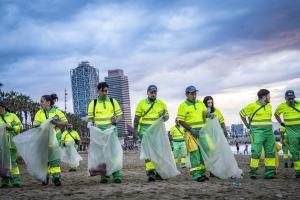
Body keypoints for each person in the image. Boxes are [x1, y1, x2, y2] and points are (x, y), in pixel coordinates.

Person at [87, 82, 123, 183]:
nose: (105, 93)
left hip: (111, 131)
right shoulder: (93, 103)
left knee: (113, 153)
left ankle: (117, 175)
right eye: (103, 91)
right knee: (102, 154)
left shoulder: (112, 101)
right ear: (98, 91)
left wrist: (116, 121)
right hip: (99, 133)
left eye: (106, 90)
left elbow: (120, 115)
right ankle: (104, 176)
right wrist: (92, 126)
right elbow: (90, 119)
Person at [133, 85, 169, 182]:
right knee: (148, 153)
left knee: (158, 152)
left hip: (157, 131)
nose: (153, 94)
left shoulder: (161, 103)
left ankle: (159, 172)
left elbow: (167, 117)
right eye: (151, 92)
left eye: (155, 92)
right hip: (145, 131)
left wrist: (164, 116)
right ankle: (151, 173)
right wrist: (135, 130)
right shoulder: (141, 103)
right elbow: (136, 118)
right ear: (147, 93)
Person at [177, 86, 212, 182]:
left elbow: (205, 113)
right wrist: (191, 129)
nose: (194, 95)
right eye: (192, 94)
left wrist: (209, 114)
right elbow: (181, 121)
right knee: (195, 153)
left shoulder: (200, 103)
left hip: (201, 132)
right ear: (187, 94)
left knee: (203, 153)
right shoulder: (183, 105)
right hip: (190, 133)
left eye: (195, 93)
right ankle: (196, 175)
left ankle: (202, 173)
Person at [240, 89, 276, 179]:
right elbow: (241, 113)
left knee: (270, 152)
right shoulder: (252, 106)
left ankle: (270, 173)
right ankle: (253, 172)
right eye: (269, 96)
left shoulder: (269, 106)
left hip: (269, 132)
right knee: (256, 152)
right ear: (264, 97)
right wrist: (247, 125)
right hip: (257, 132)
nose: (270, 97)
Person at [33, 95, 68, 186]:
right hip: (43, 139)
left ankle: (56, 178)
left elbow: (65, 122)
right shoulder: (39, 113)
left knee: (55, 158)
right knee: (44, 159)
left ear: (48, 102)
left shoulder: (57, 111)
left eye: (42, 101)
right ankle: (45, 177)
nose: (40, 103)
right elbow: (35, 124)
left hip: (56, 138)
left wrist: (56, 123)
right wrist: (39, 126)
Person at [274, 90, 300, 178]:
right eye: (289, 99)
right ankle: (298, 172)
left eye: (292, 98)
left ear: (294, 98)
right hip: (291, 133)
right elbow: (276, 114)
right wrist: (281, 123)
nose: (290, 100)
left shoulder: (299, 104)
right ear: (285, 98)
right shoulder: (282, 106)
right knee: (294, 152)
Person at [0, 101, 23, 187]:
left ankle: (16, 181)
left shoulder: (12, 116)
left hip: (11, 144)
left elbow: (21, 126)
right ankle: (4, 182)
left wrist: (12, 128)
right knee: (3, 163)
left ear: (2, 107)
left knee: (13, 162)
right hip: (1, 145)